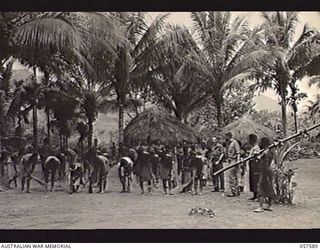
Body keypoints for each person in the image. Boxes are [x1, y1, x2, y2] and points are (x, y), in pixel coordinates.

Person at [254, 137, 276, 213]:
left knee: (261, 188)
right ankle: (269, 205)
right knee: (269, 188)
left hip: (265, 172)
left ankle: (260, 207)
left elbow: (260, 158)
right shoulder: (269, 151)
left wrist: (256, 156)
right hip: (268, 171)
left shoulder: (266, 152)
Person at [225, 132, 241, 197]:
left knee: (232, 176)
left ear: (229, 136)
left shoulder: (235, 142)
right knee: (231, 176)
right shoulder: (228, 143)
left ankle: (234, 191)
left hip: (234, 160)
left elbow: (238, 152)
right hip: (230, 160)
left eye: (226, 136)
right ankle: (235, 191)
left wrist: (238, 161)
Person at [248, 134, 260, 201]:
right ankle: (254, 195)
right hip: (251, 164)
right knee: (252, 180)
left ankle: (257, 195)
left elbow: (257, 157)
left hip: (255, 165)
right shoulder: (253, 147)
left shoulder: (256, 148)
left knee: (255, 180)